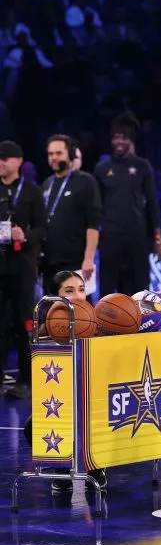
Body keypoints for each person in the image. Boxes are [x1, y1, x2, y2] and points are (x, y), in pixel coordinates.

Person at [44, 270, 107, 492]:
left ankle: (96, 465)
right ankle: (60, 467)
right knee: (32, 426)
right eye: (69, 291)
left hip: (94, 406)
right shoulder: (43, 334)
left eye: (81, 290)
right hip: (61, 406)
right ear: (55, 298)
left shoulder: (100, 327)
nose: (78, 297)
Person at [94, 111, 161, 296]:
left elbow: (152, 203)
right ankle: (106, 324)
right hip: (110, 238)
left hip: (138, 237)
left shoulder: (142, 166)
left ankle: (143, 324)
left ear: (131, 141)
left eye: (123, 138)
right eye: (116, 138)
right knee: (107, 290)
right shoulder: (101, 169)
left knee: (140, 290)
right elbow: (96, 207)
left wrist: (157, 238)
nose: (119, 142)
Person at [0, 141, 45, 401]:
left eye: (5, 158)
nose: (1, 163)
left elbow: (43, 230)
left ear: (18, 161)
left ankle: (26, 380)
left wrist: (25, 234)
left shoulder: (31, 192)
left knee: (21, 324)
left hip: (21, 268)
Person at [40, 135, 101, 294]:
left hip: (76, 261)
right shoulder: (47, 184)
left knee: (79, 311)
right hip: (49, 261)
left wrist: (89, 258)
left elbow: (93, 223)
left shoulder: (85, 181)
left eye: (58, 153)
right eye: (50, 154)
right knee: (52, 311)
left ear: (70, 154)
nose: (54, 157)